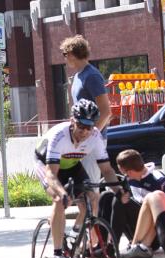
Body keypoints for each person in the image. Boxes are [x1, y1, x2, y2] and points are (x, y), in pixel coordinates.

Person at [34, 99, 120, 258]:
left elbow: (107, 169)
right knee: (59, 199)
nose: (85, 131)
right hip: (47, 165)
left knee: (93, 198)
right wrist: (63, 193)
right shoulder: (59, 136)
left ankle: (75, 238)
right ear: (72, 121)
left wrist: (119, 189)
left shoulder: (95, 136)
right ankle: (57, 253)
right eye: (81, 126)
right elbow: (51, 174)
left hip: (72, 164)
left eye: (90, 127)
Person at [98, 149, 165, 248]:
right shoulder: (130, 179)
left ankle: (112, 246)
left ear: (131, 172)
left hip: (155, 232)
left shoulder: (161, 181)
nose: (125, 177)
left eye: (125, 174)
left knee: (119, 201)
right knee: (106, 196)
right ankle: (102, 245)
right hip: (137, 227)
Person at [61, 35, 111, 189]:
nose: (65, 59)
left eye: (64, 54)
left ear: (71, 54)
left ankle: (94, 214)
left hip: (90, 139)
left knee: (91, 186)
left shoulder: (92, 76)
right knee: (82, 187)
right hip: (80, 139)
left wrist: (91, 135)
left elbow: (106, 111)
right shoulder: (77, 76)